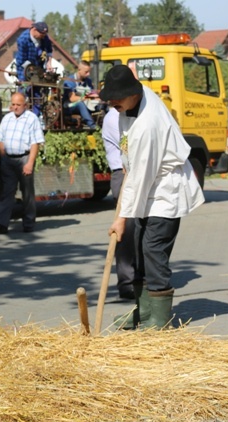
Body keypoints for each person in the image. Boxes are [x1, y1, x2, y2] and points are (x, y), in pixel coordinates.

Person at [101, 65, 205, 329]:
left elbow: (141, 178)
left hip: (165, 191)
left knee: (153, 249)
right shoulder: (128, 105)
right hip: (146, 182)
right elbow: (132, 162)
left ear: (133, 94)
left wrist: (121, 218)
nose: (113, 103)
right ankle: (144, 311)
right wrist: (126, 161)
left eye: (117, 98)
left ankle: (159, 319)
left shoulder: (148, 124)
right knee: (138, 248)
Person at [0, 92, 44, 234]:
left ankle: (29, 223)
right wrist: (3, 156)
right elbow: (0, 138)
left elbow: (35, 142)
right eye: (13, 104)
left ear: (25, 105)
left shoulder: (32, 119)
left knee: (27, 193)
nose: (15, 107)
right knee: (7, 192)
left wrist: (30, 163)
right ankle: (1, 223)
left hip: (24, 159)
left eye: (18, 105)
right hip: (8, 160)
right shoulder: (7, 118)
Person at [102, 107, 137, 301]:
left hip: (134, 173)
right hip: (122, 174)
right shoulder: (113, 118)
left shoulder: (127, 116)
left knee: (138, 228)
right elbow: (129, 149)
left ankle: (139, 278)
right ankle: (127, 283)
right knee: (126, 228)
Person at [63, 61, 99, 129]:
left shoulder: (88, 81)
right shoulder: (70, 80)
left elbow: (93, 94)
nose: (88, 74)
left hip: (86, 102)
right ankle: (93, 126)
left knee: (101, 104)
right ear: (79, 70)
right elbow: (72, 98)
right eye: (86, 72)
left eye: (89, 72)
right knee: (80, 104)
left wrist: (98, 98)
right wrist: (87, 97)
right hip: (70, 105)